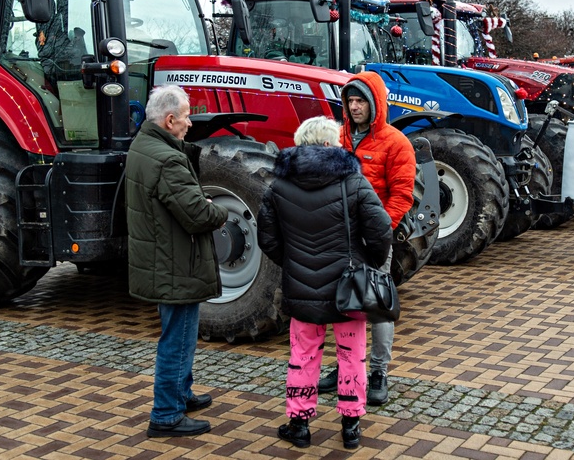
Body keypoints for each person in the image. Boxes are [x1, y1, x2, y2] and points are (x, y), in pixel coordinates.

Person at [257, 116, 392, 449]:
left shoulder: (278, 185)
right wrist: (367, 263)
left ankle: (299, 424)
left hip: (301, 287)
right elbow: (381, 231)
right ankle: (351, 425)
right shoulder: (354, 181)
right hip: (349, 289)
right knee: (352, 355)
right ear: (332, 144)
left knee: (302, 355)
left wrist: (293, 264)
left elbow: (268, 239)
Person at [125, 84, 229, 438]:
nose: (190, 124)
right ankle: (166, 414)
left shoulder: (144, 145)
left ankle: (181, 395)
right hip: (175, 262)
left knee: (179, 334)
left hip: (162, 256)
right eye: (185, 117)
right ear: (169, 120)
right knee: (178, 339)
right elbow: (196, 214)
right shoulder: (166, 159)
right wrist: (218, 211)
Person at [318, 71, 416, 406]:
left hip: (374, 239)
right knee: (341, 302)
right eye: (351, 101)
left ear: (375, 104)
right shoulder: (339, 138)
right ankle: (344, 365)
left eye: (361, 101)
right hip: (338, 236)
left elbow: (402, 194)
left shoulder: (395, 142)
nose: (355, 107)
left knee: (376, 305)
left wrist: (381, 229)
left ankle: (378, 371)